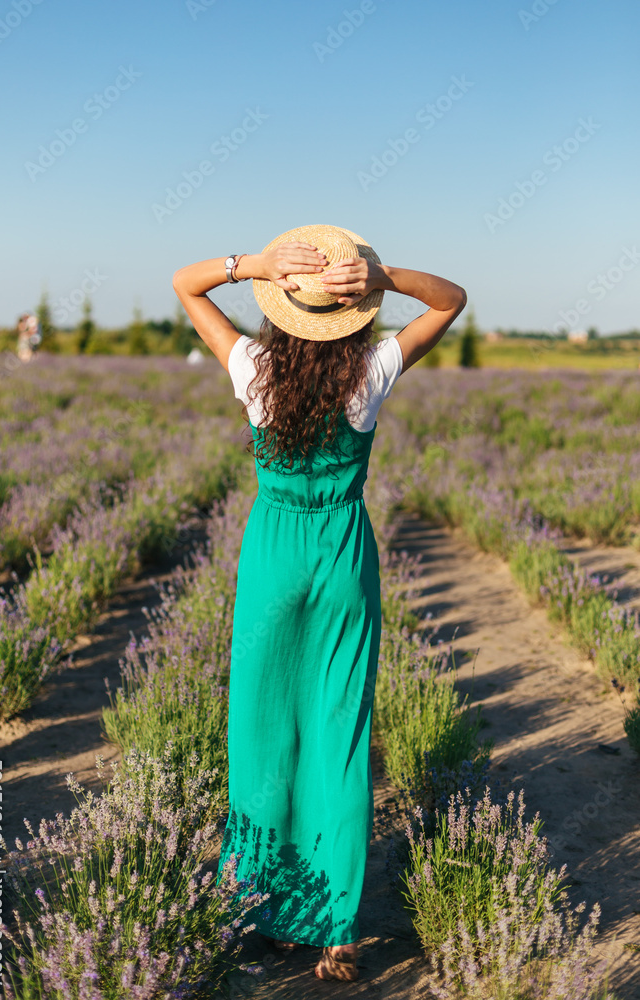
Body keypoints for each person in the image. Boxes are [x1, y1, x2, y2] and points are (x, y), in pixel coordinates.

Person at [172, 224, 466, 982]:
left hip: (273, 554)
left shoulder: (250, 365)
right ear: (353, 308)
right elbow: (453, 300)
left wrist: (253, 265)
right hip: (341, 552)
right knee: (338, 733)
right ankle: (336, 931)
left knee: (261, 733)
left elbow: (184, 284)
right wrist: (383, 273)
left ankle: (260, 911)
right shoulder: (371, 370)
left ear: (281, 307)